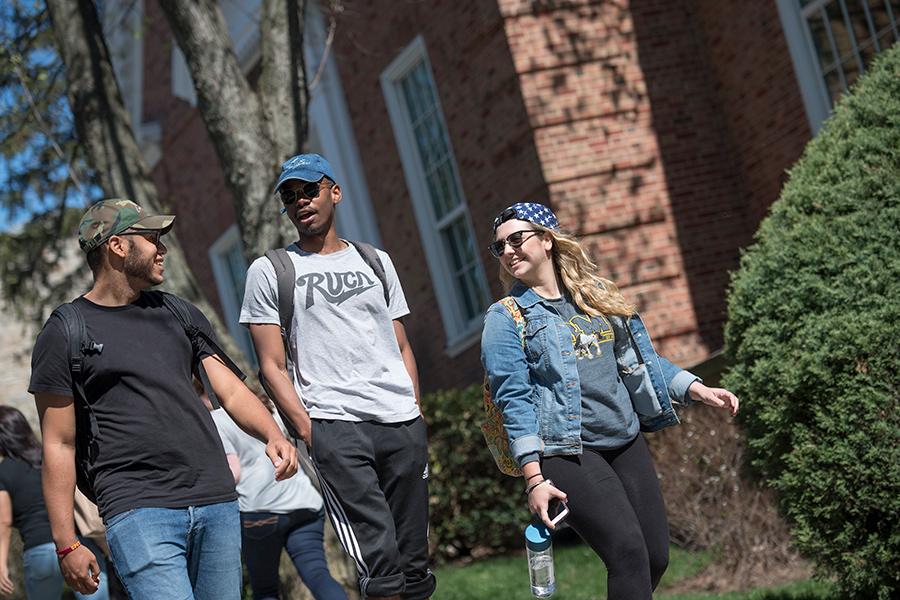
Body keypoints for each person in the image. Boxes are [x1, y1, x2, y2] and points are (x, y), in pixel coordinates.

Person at [29, 199, 298, 600]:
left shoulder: (178, 313)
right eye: (152, 238)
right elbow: (59, 442)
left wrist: (272, 434)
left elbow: (230, 388)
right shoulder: (66, 331)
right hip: (137, 509)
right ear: (118, 247)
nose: (163, 249)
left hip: (215, 499)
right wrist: (66, 541)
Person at [481, 203, 740, 600]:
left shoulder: (595, 297)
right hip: (567, 451)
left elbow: (639, 361)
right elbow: (512, 399)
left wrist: (695, 388)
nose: (509, 250)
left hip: (624, 438)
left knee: (655, 557)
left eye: (518, 239)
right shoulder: (506, 318)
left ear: (547, 240)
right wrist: (534, 478)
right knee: (627, 553)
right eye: (500, 246)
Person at [241, 154, 435, 600]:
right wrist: (312, 433)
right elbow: (271, 367)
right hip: (335, 428)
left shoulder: (376, 261)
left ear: (335, 192)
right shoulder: (270, 271)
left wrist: (415, 410)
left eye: (309, 190)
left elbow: (401, 344)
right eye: (290, 196)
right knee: (379, 564)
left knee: (414, 563)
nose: (300, 202)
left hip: (401, 422)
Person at [210, 395, 348, 600]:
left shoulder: (216, 419)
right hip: (305, 505)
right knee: (318, 575)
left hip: (259, 513)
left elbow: (234, 471)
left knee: (265, 590)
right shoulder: (268, 407)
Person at [0, 406, 109, 600]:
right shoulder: (53, 457)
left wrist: (1, 563)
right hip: (78, 545)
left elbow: (4, 521)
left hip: (39, 551)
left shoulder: (5, 471)